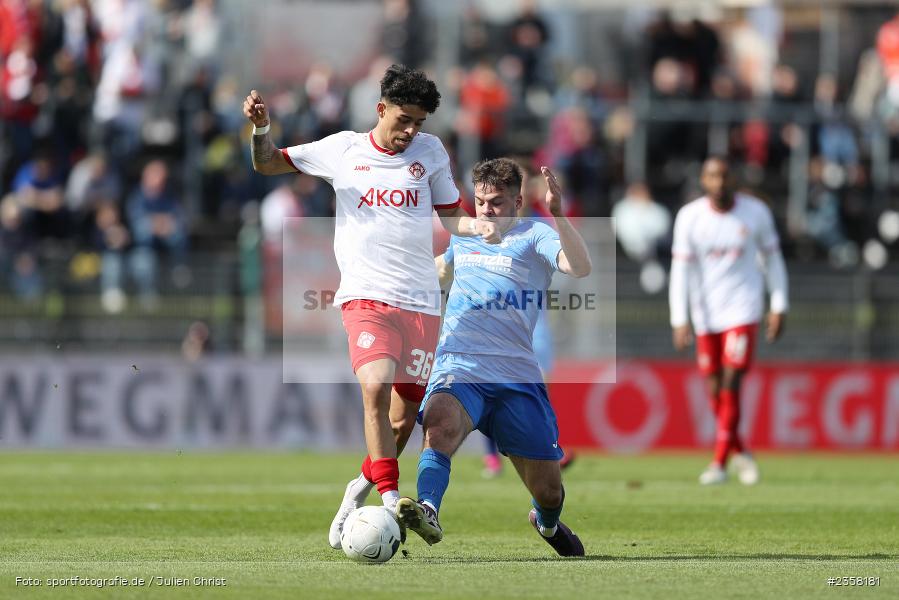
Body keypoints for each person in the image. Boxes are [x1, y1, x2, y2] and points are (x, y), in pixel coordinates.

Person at [244, 64, 499, 550]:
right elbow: (267, 162)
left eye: (418, 123)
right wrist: (260, 128)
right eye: (403, 119)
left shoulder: (431, 153)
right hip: (366, 296)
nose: (410, 131)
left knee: (403, 423)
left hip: (422, 302)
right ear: (380, 109)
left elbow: (451, 218)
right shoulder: (342, 150)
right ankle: (388, 505)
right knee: (374, 385)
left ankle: (354, 493)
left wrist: (483, 229)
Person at [395, 158, 590, 557]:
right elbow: (438, 272)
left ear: (518, 201)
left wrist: (558, 215)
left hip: (517, 376)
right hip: (460, 364)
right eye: (481, 202)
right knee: (439, 424)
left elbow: (579, 267)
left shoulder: (536, 234)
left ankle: (547, 524)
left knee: (550, 491)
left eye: (497, 203)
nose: (486, 211)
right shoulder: (464, 237)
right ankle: (428, 509)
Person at [669, 156, 788, 485]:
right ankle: (741, 452)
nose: (719, 183)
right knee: (715, 389)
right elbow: (680, 271)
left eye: (724, 176)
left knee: (732, 383)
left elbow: (773, 260)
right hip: (705, 315)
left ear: (733, 178)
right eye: (712, 176)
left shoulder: (755, 212)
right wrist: (679, 318)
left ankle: (719, 463)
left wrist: (778, 304)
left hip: (743, 310)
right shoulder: (690, 217)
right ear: (703, 181)